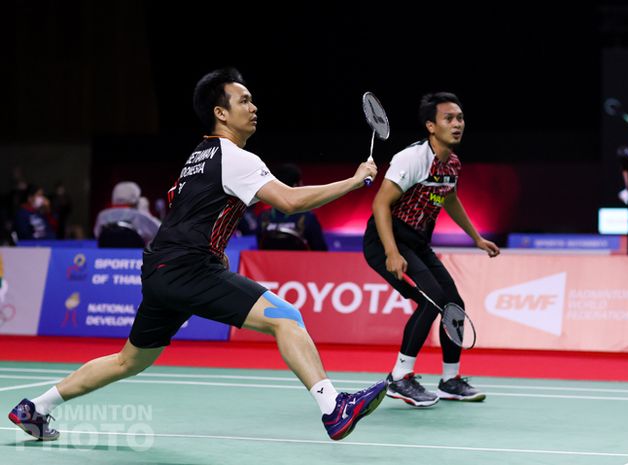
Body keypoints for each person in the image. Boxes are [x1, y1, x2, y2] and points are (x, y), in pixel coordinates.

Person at [8, 67, 384, 442]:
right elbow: (287, 201)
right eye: (244, 100)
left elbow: (182, 204)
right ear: (220, 113)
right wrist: (354, 181)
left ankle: (36, 407)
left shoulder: (199, 156)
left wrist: (214, 250)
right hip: (188, 266)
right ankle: (333, 407)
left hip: (161, 269)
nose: (254, 107)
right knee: (285, 317)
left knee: (129, 361)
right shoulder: (235, 157)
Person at [363, 92, 500, 408]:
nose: (457, 124)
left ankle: (450, 380)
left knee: (454, 303)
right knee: (431, 300)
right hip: (388, 240)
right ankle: (400, 378)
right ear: (430, 125)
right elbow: (380, 204)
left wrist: (476, 238)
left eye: (460, 118)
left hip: (418, 243)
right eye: (448, 119)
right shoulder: (411, 158)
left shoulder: (452, 163)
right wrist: (391, 253)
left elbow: (449, 198)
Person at [257, 163, 328, 251]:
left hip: (269, 264)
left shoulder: (262, 218)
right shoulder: (308, 218)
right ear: (295, 186)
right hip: (301, 264)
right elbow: (320, 251)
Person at [94, 181, 161, 247]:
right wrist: (146, 213)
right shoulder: (139, 215)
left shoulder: (102, 216)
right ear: (136, 197)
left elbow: (97, 234)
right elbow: (161, 232)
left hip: (105, 256)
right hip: (136, 256)